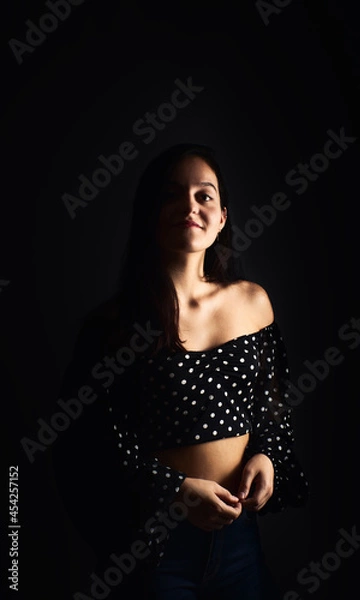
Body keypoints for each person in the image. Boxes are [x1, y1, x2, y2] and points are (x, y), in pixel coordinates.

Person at [52, 143, 309, 599]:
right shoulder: (114, 326)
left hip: (240, 544)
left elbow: (271, 413)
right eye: (173, 195)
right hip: (157, 549)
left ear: (223, 215)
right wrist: (176, 490)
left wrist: (266, 457)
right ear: (151, 212)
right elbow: (89, 450)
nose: (190, 206)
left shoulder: (253, 302)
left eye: (203, 195)